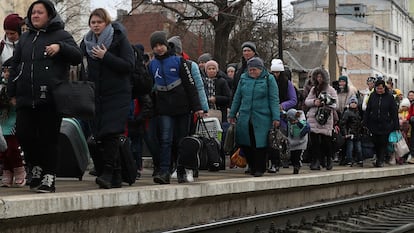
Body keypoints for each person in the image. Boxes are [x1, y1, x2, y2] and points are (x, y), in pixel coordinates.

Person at [8, 0, 82, 193]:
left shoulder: (61, 35)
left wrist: (60, 47)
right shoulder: (25, 38)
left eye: (39, 12)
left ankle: (49, 175)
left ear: (49, 15)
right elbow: (15, 66)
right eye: (33, 12)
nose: (35, 15)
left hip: (50, 97)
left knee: (49, 139)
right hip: (25, 97)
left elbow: (77, 56)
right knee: (24, 134)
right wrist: (11, 92)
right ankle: (36, 166)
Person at [81, 8, 134, 189]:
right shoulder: (87, 43)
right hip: (97, 95)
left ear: (107, 23)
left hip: (117, 94)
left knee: (111, 132)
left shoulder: (119, 39)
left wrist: (106, 56)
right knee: (100, 134)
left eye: (99, 22)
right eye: (93, 22)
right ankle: (116, 175)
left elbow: (128, 65)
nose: (96, 25)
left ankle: (108, 171)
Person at [148, 31, 203, 184]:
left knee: (181, 139)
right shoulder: (152, 65)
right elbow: (148, 87)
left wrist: (197, 107)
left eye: (161, 45)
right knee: (165, 139)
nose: (159, 48)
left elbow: (191, 86)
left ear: (166, 45)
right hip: (164, 107)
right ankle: (164, 171)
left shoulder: (179, 62)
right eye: (155, 46)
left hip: (182, 107)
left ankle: (181, 170)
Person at [228, 57, 280, 177]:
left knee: (260, 143)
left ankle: (260, 168)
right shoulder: (243, 79)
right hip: (245, 116)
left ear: (261, 69)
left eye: (254, 70)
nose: (252, 72)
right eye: (250, 70)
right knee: (245, 142)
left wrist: (276, 117)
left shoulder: (269, 79)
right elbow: (237, 97)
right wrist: (232, 113)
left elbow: (274, 99)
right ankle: (251, 165)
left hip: (262, 117)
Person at [0, 13, 24, 180]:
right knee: (3, 137)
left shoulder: (26, 44)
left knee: (14, 138)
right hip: (3, 99)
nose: (10, 36)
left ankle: (19, 169)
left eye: (12, 33)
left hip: (20, 97)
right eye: (7, 32)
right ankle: (7, 170)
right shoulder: (1, 47)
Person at [267, 58, 297, 173]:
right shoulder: (267, 82)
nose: (275, 75)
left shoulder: (287, 84)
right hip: (268, 114)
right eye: (273, 72)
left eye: (277, 72)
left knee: (278, 138)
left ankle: (277, 161)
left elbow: (293, 100)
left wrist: (283, 105)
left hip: (281, 115)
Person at [304, 67, 337, 171]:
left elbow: (336, 104)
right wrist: (315, 102)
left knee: (326, 141)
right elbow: (307, 101)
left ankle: (328, 159)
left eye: (321, 76)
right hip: (314, 117)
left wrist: (326, 101)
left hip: (325, 118)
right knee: (314, 141)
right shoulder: (314, 89)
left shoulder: (330, 90)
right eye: (317, 76)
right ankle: (316, 160)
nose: (319, 79)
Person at [0, 58, 26, 187]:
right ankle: (7, 172)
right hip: (2, 121)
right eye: (4, 71)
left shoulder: (19, 85)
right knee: (3, 150)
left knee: (13, 149)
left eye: (9, 71)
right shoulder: (1, 86)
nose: (6, 74)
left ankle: (19, 170)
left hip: (14, 120)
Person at [363, 79, 399, 167]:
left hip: (385, 124)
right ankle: (378, 158)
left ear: (384, 88)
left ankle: (380, 160)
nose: (379, 90)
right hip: (374, 124)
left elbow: (394, 112)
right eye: (377, 89)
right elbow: (368, 110)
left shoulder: (390, 97)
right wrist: (365, 122)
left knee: (383, 142)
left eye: (381, 89)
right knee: (375, 142)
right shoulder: (372, 96)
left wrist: (396, 125)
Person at [340, 96, 364, 166]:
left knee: (359, 148)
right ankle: (349, 160)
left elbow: (360, 124)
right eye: (352, 102)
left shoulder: (358, 112)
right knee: (350, 148)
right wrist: (345, 133)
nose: (353, 104)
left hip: (357, 133)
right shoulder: (347, 112)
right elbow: (343, 123)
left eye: (355, 103)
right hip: (350, 133)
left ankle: (359, 160)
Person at [285, 108, 310, 174]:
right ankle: (294, 165)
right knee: (293, 156)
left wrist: (298, 123)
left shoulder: (302, 119)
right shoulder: (288, 121)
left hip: (301, 141)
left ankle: (297, 166)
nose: (291, 121)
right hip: (292, 140)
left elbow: (305, 127)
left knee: (298, 155)